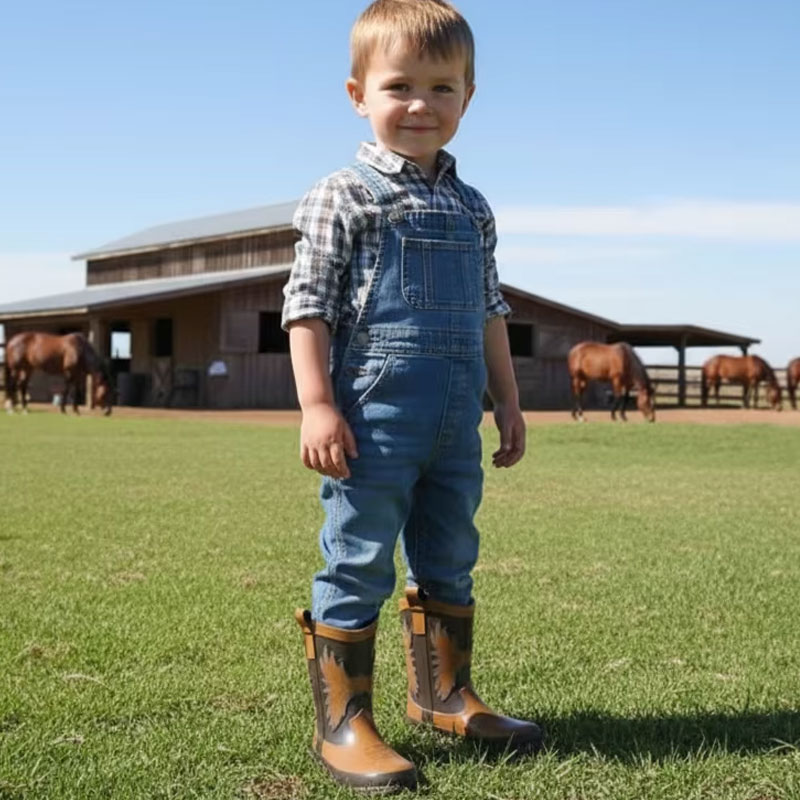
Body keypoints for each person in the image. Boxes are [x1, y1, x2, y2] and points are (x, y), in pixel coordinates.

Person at [282, 0, 542, 791]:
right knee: (359, 558)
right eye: (399, 86)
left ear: (469, 96)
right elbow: (307, 306)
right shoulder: (343, 194)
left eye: (442, 88)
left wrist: (508, 400)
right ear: (358, 94)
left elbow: (491, 311)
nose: (420, 104)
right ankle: (344, 722)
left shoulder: (473, 206)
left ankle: (446, 695)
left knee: (451, 555)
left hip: (455, 422)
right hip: (373, 422)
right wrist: (317, 405)